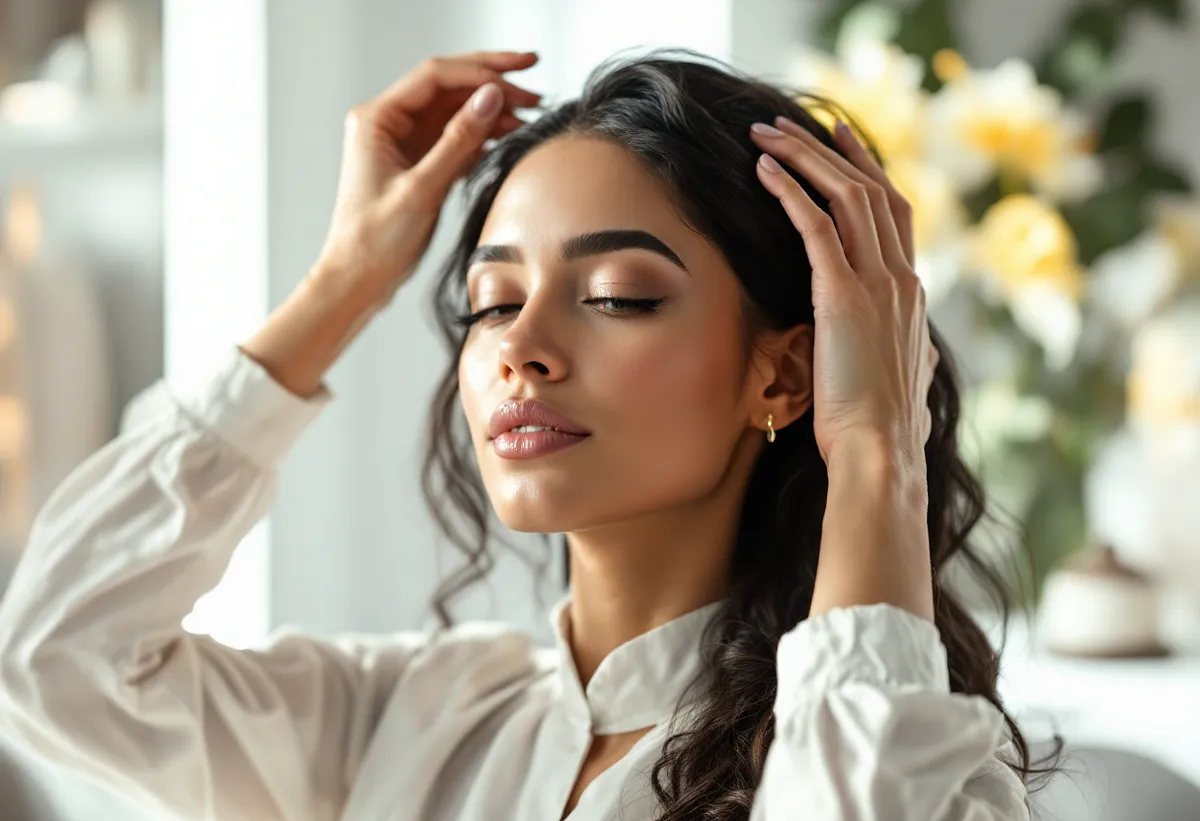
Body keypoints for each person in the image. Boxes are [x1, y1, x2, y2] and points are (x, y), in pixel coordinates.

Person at [0, 49, 1038, 820]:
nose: (521, 347)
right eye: (492, 301)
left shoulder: (928, 764)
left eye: (620, 295)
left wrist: (874, 449)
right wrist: (344, 279)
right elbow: (57, 660)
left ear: (786, 371)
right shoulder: (409, 718)